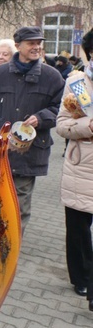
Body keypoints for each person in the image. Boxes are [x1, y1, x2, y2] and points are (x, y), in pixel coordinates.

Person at [0, 26, 65, 232]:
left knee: (18, 208)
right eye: (31, 43)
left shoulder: (52, 77)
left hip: (29, 152)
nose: (37, 47)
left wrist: (42, 117)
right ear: (18, 46)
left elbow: (62, 109)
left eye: (39, 43)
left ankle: (9, 253)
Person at [56, 29, 93, 306]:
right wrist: (86, 126)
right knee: (79, 226)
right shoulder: (78, 84)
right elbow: (62, 125)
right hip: (82, 163)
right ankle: (80, 277)